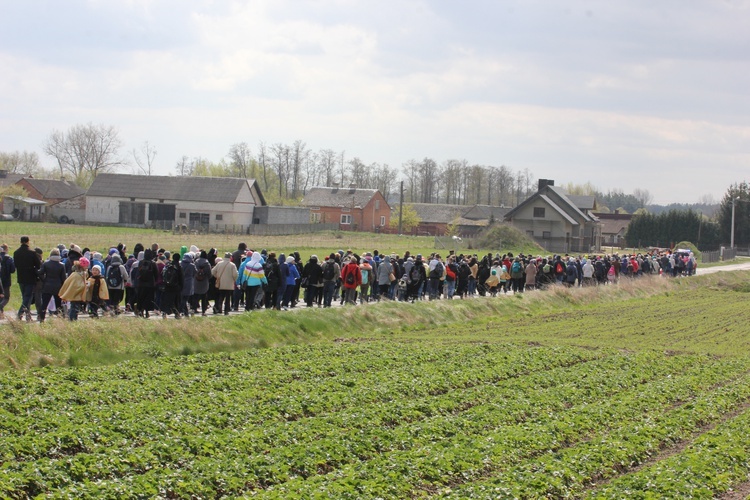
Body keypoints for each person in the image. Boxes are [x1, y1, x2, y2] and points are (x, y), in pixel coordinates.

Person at [13, 236, 41, 322]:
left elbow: (15, 265)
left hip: (21, 277)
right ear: (28, 242)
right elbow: (38, 265)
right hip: (30, 277)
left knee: (25, 297)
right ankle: (20, 314)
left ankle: (28, 316)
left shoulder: (16, 252)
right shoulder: (32, 253)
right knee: (28, 297)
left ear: (20, 242)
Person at [37, 248, 66, 322]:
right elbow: (63, 278)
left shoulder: (46, 264)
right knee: (58, 304)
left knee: (44, 303)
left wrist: (44, 280)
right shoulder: (62, 265)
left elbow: (40, 273)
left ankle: (41, 318)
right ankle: (61, 318)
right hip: (58, 286)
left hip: (47, 286)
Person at [192, 250, 211, 316]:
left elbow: (194, 271)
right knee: (204, 296)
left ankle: (194, 309)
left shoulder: (196, 262)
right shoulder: (207, 263)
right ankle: (203, 311)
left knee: (196, 296)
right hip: (204, 282)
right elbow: (209, 274)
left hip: (196, 281)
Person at [0, 243, 15, 319]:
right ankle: (1, 307)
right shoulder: (9, 258)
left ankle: (1, 313)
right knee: (6, 297)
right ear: (6, 249)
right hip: (6, 280)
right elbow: (12, 270)